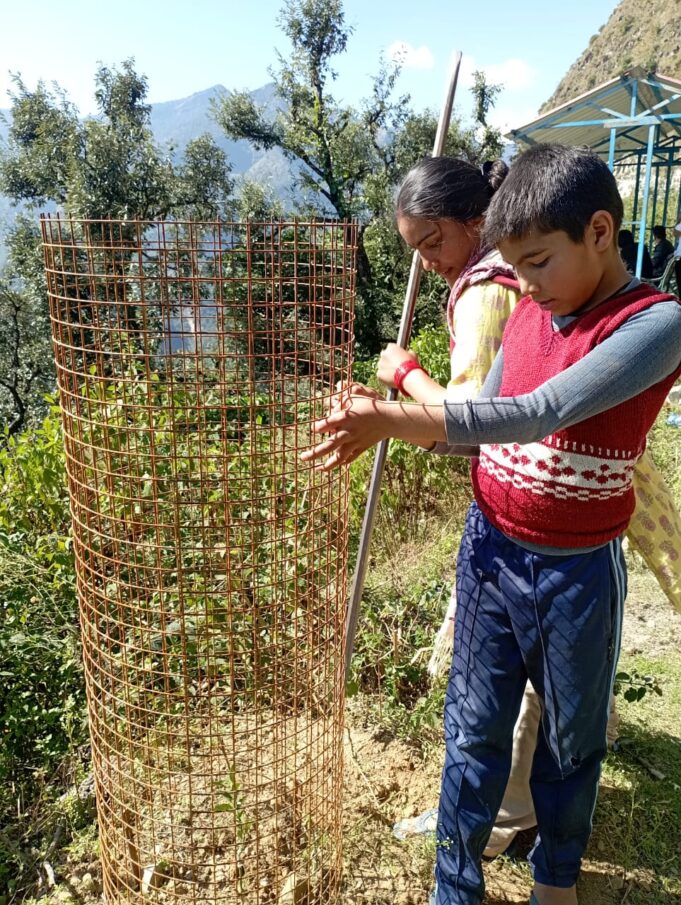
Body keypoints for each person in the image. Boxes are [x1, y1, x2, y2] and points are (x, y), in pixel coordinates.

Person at [303, 144, 681, 905]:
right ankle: (454, 885)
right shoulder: (531, 308)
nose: (528, 287)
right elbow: (474, 430)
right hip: (490, 553)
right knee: (471, 731)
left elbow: (533, 412)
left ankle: (555, 879)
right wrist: (395, 416)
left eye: (538, 262)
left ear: (599, 232)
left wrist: (390, 410)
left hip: (575, 571)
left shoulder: (653, 323)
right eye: (517, 267)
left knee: (571, 741)